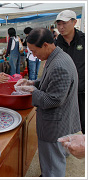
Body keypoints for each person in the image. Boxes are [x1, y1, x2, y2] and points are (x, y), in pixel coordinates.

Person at [15, 28, 81, 177]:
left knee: (53, 161)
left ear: (45, 45)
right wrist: (33, 82)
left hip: (54, 124)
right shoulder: (57, 57)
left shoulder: (59, 65)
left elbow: (54, 99)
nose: (34, 55)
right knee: (55, 157)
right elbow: (49, 83)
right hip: (61, 119)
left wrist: (32, 91)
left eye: (34, 51)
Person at [55, 10, 85, 134]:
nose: (61, 28)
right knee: (65, 123)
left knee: (84, 121)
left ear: (74, 22)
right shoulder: (57, 43)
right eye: (59, 24)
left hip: (82, 91)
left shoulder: (84, 40)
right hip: (64, 92)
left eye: (65, 23)